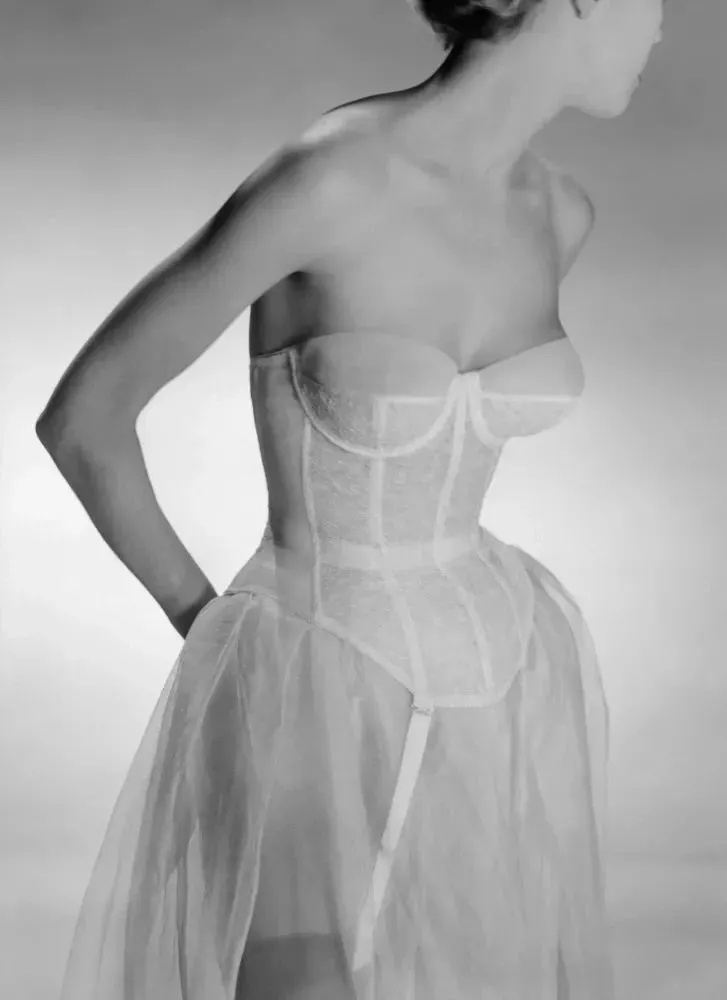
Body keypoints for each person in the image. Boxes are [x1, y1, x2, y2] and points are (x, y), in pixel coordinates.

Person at [36, 0, 665, 997]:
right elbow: (85, 419)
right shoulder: (328, 181)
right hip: (309, 691)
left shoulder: (559, 214)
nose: (662, 27)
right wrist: (222, 643)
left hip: (502, 683)